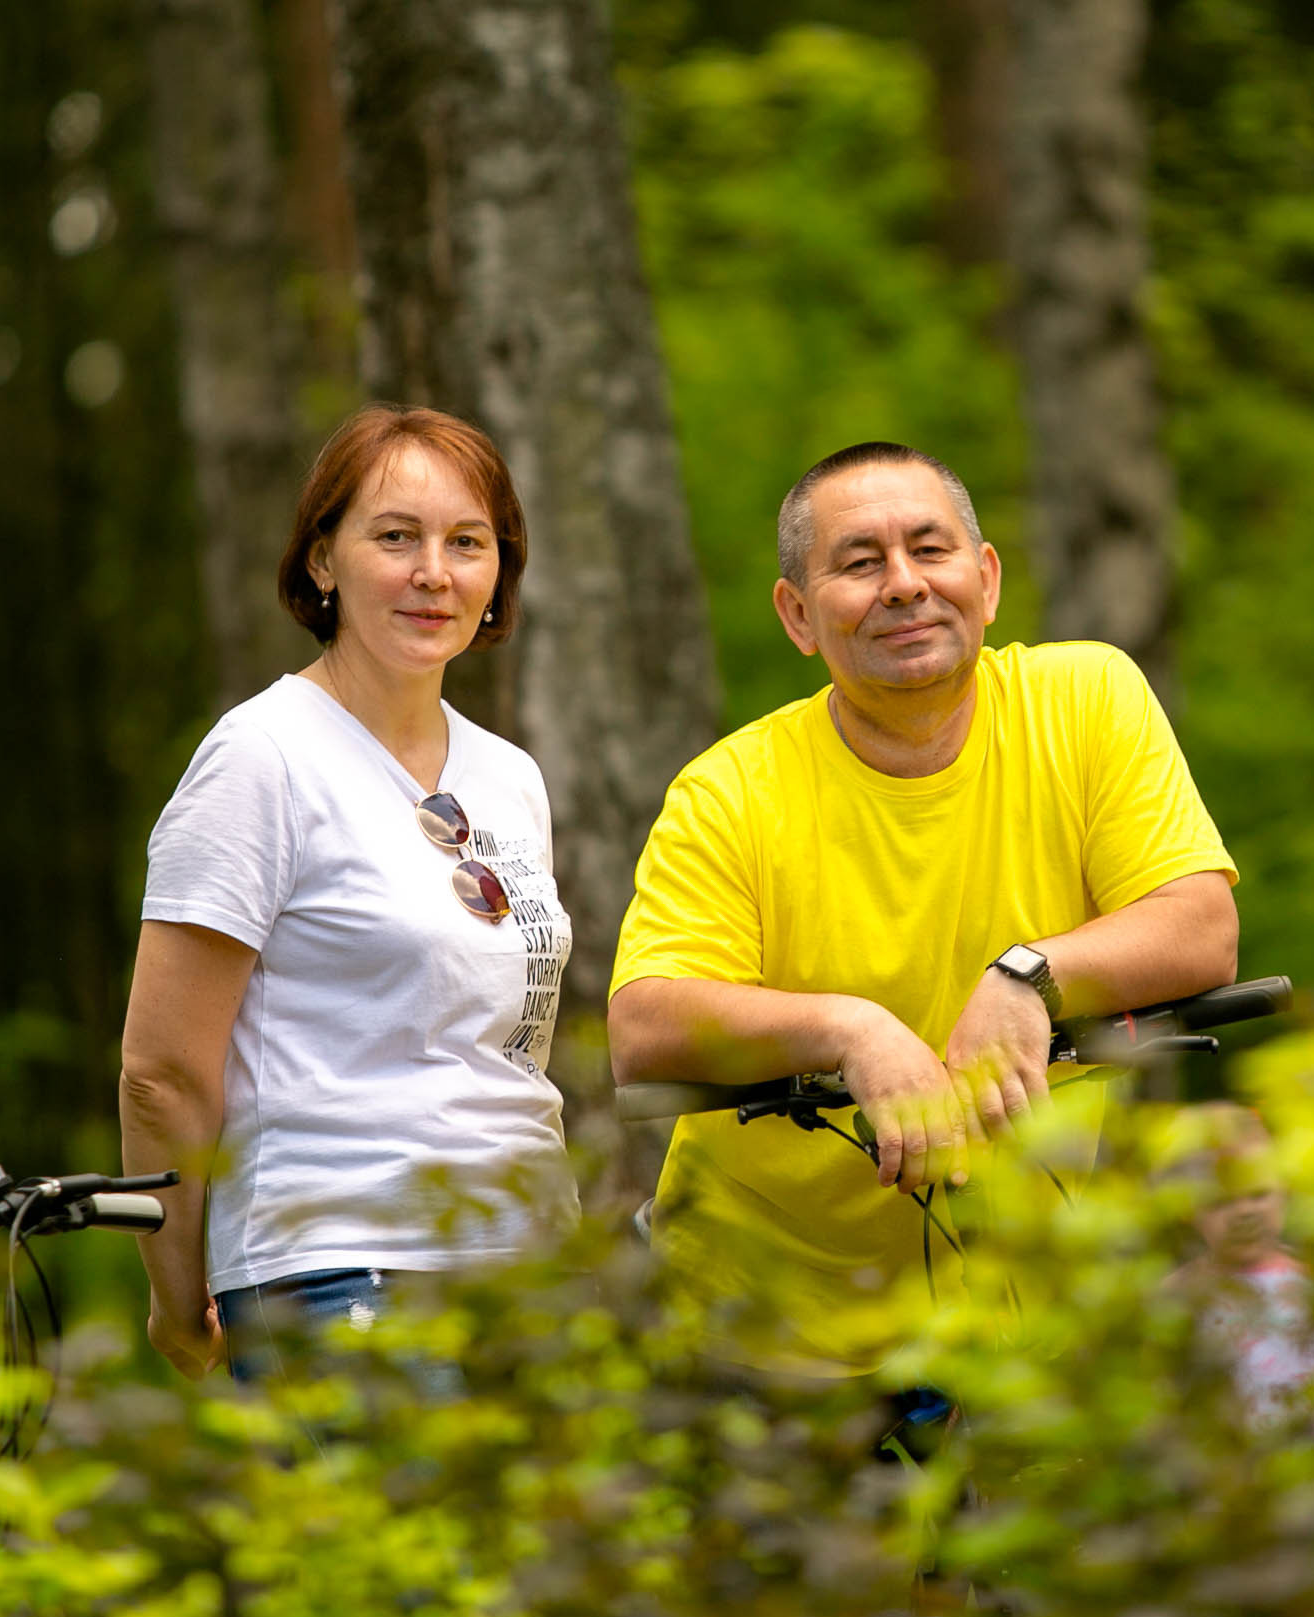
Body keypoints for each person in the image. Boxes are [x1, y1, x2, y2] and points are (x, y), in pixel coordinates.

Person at [607, 441, 1239, 1381]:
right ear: (798, 616)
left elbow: (1199, 923)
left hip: (1019, 1319)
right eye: (859, 562)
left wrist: (1029, 976)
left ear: (985, 579)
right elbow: (644, 1023)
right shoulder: (729, 790)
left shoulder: (1086, 698)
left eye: (929, 550)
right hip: (760, 1333)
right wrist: (848, 1030)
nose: (903, 585)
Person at [119, 404, 577, 1382]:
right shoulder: (261, 759)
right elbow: (162, 1071)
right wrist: (177, 1293)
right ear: (321, 560)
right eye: (395, 537)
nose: (433, 574)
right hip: (338, 1272)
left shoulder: (510, 777)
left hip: (531, 1273)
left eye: (467, 543)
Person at [1158, 1105, 1314, 1440]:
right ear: (1188, 1207)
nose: (1244, 1212)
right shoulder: (1174, 1300)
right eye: (1222, 1201)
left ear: (1286, 1189)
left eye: (1259, 1195)